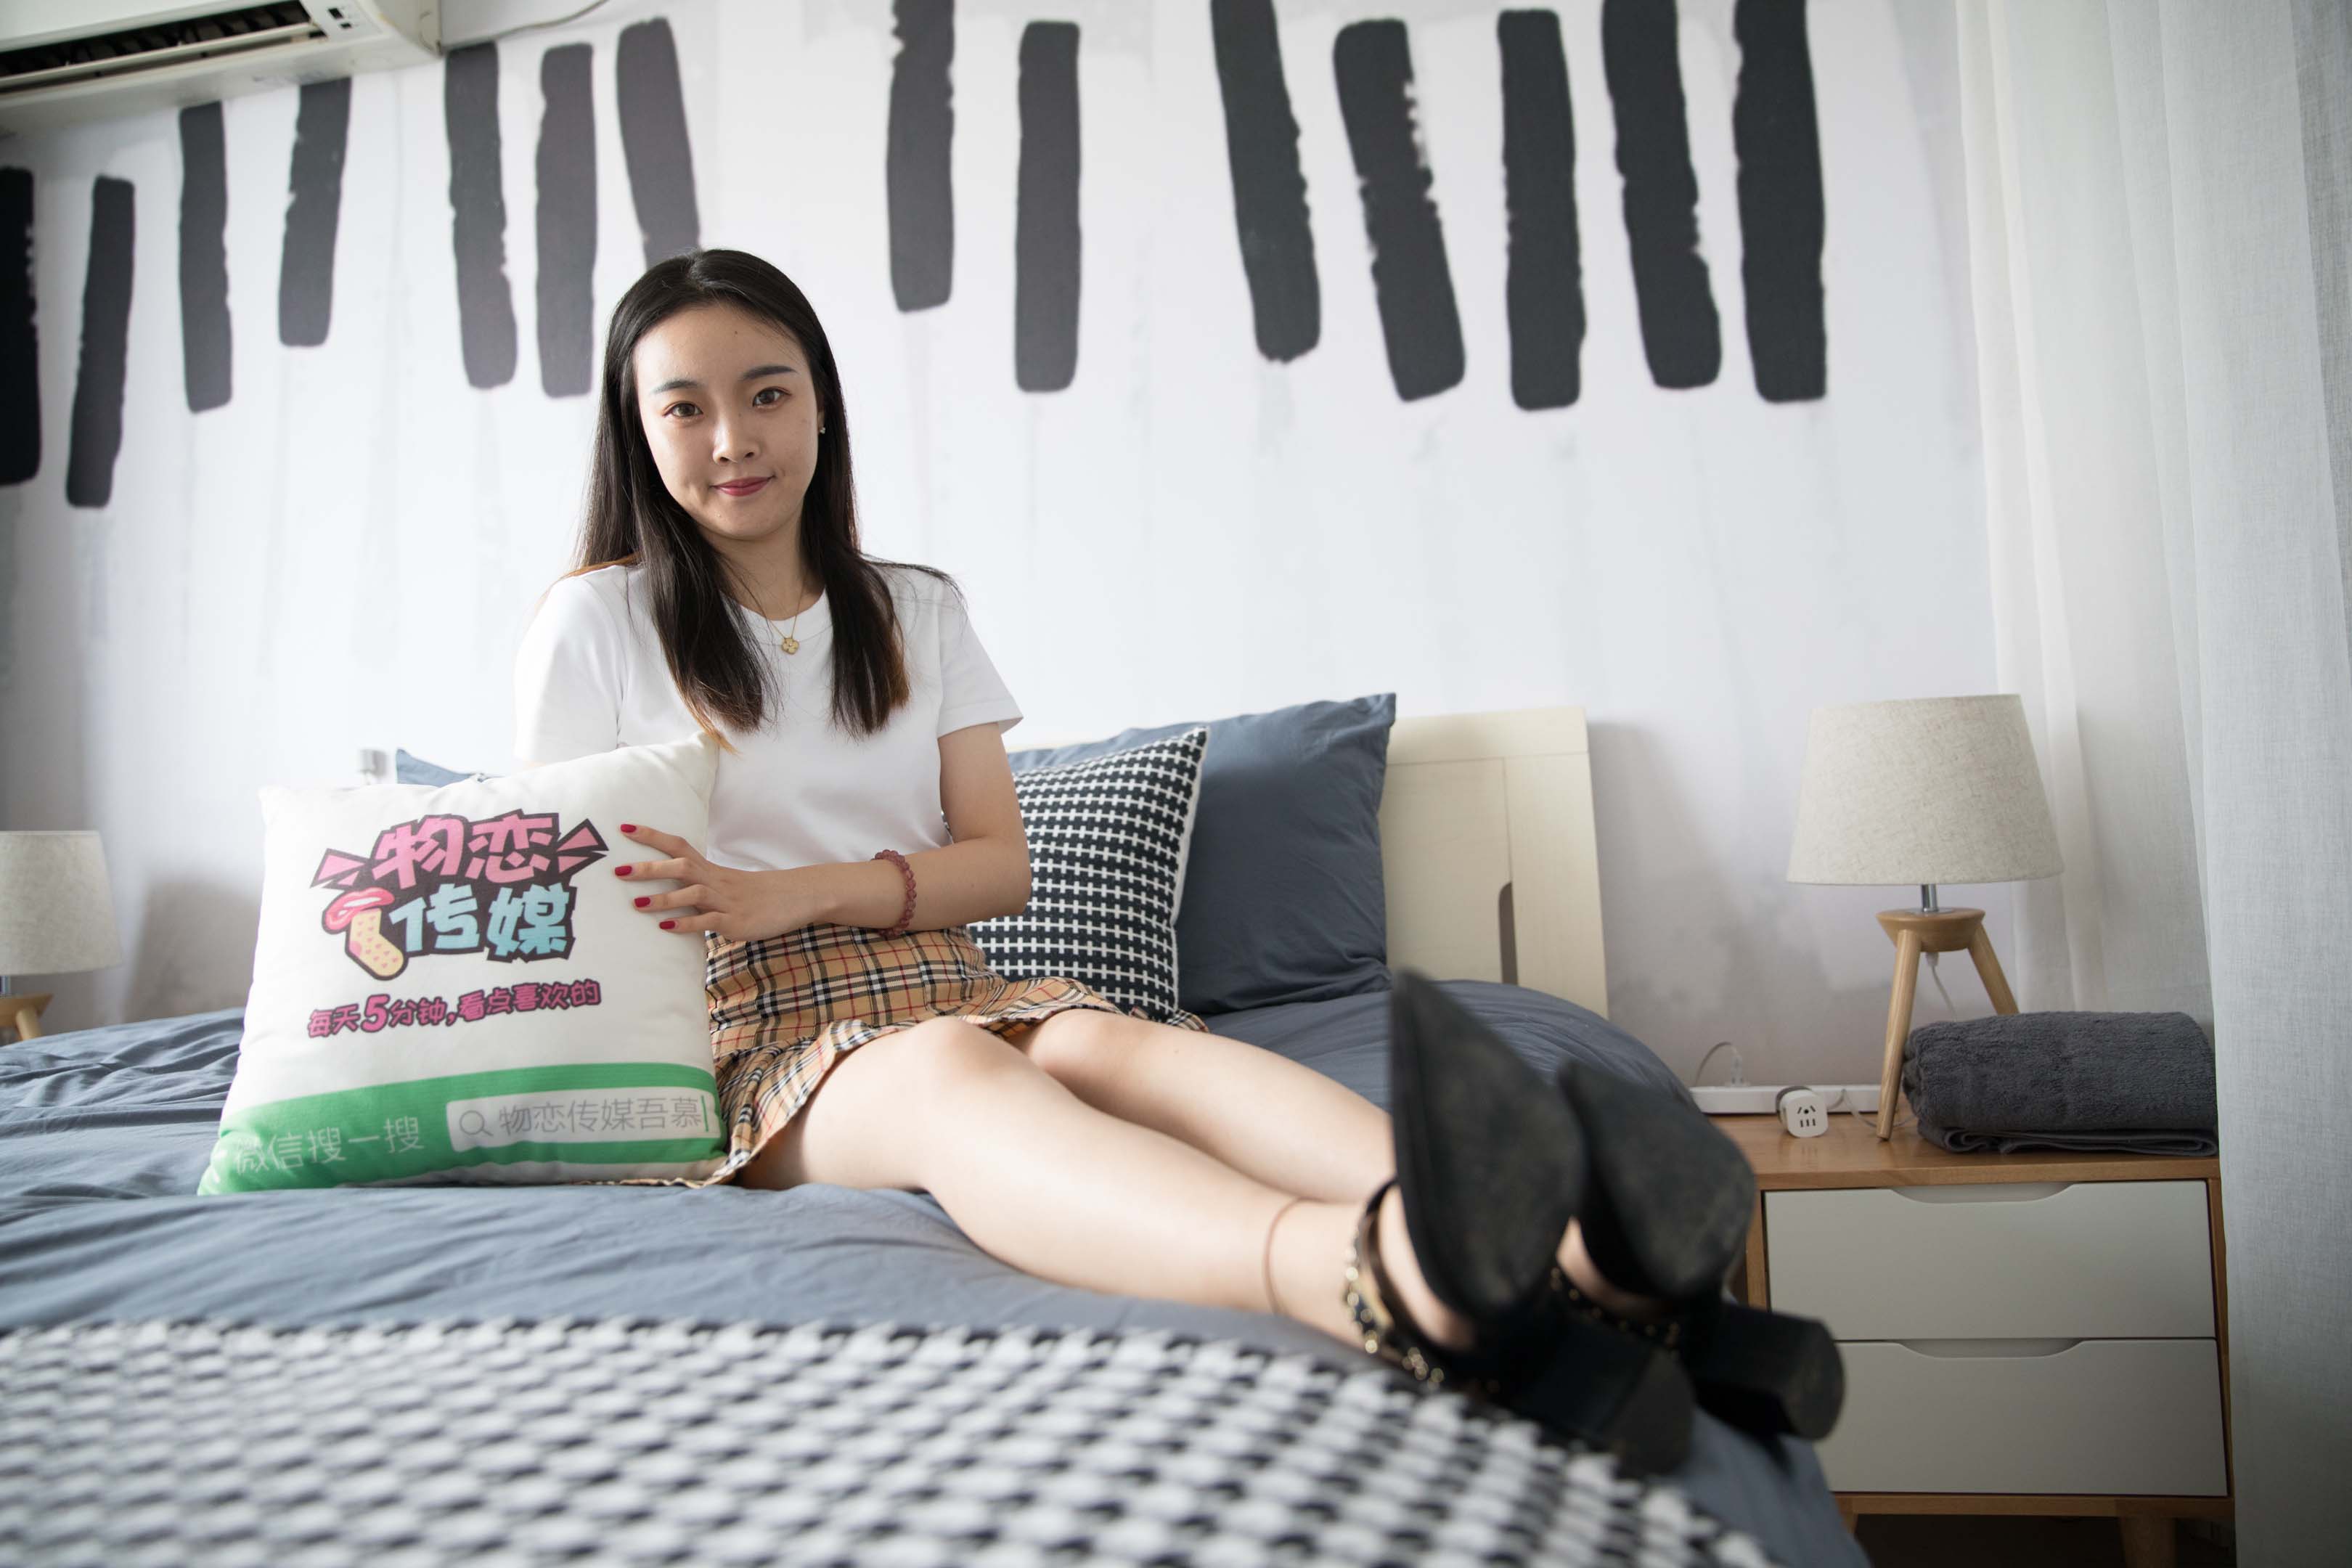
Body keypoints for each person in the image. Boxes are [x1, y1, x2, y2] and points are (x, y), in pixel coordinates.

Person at [513, 249, 1837, 1472]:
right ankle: (1372, 1279)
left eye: (767, 393)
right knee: (955, 1074)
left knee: (1128, 1050)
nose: (732, 438)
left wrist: (807, 888)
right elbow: (559, 907)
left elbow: (1000, 868)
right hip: (747, 1029)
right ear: (639, 430)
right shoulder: (597, 621)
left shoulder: (915, 608)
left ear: (820, 406)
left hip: (941, 973)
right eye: (684, 408)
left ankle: (1574, 1257)